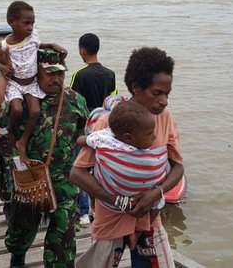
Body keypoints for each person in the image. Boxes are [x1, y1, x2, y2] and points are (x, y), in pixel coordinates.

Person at [70, 47, 184, 268]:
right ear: (136, 88)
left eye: (167, 94)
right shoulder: (110, 122)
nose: (164, 101)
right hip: (110, 216)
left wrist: (156, 193)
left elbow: (178, 167)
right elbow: (77, 172)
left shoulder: (165, 118)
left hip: (148, 214)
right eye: (157, 93)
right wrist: (117, 201)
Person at [0, 49, 88, 268]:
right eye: (49, 73)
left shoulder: (75, 101)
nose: (56, 79)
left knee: (62, 244)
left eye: (60, 73)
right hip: (28, 182)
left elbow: (80, 135)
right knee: (20, 235)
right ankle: (18, 257)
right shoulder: (17, 100)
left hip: (63, 185)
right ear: (35, 73)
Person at [77, 100, 169, 250]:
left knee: (156, 199)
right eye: (149, 134)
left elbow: (82, 139)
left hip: (120, 201)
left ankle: (136, 232)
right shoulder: (108, 140)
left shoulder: (102, 139)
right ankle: (138, 232)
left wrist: (85, 140)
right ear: (128, 138)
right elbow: (76, 173)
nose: (154, 138)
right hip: (124, 201)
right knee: (159, 202)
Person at [0, 0, 67, 165]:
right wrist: (1, 68)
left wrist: (52, 44)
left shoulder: (33, 36)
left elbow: (39, 45)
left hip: (31, 82)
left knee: (35, 112)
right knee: (17, 109)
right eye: (26, 23)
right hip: (15, 83)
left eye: (32, 23)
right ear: (12, 22)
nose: (30, 27)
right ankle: (10, 130)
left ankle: (22, 141)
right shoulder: (4, 45)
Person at [70, 32, 117, 225]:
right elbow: (112, 103)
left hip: (85, 130)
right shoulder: (110, 74)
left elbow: (72, 102)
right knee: (100, 169)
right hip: (106, 129)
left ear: (82, 50)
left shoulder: (79, 74)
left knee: (81, 168)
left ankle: (83, 212)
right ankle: (99, 209)